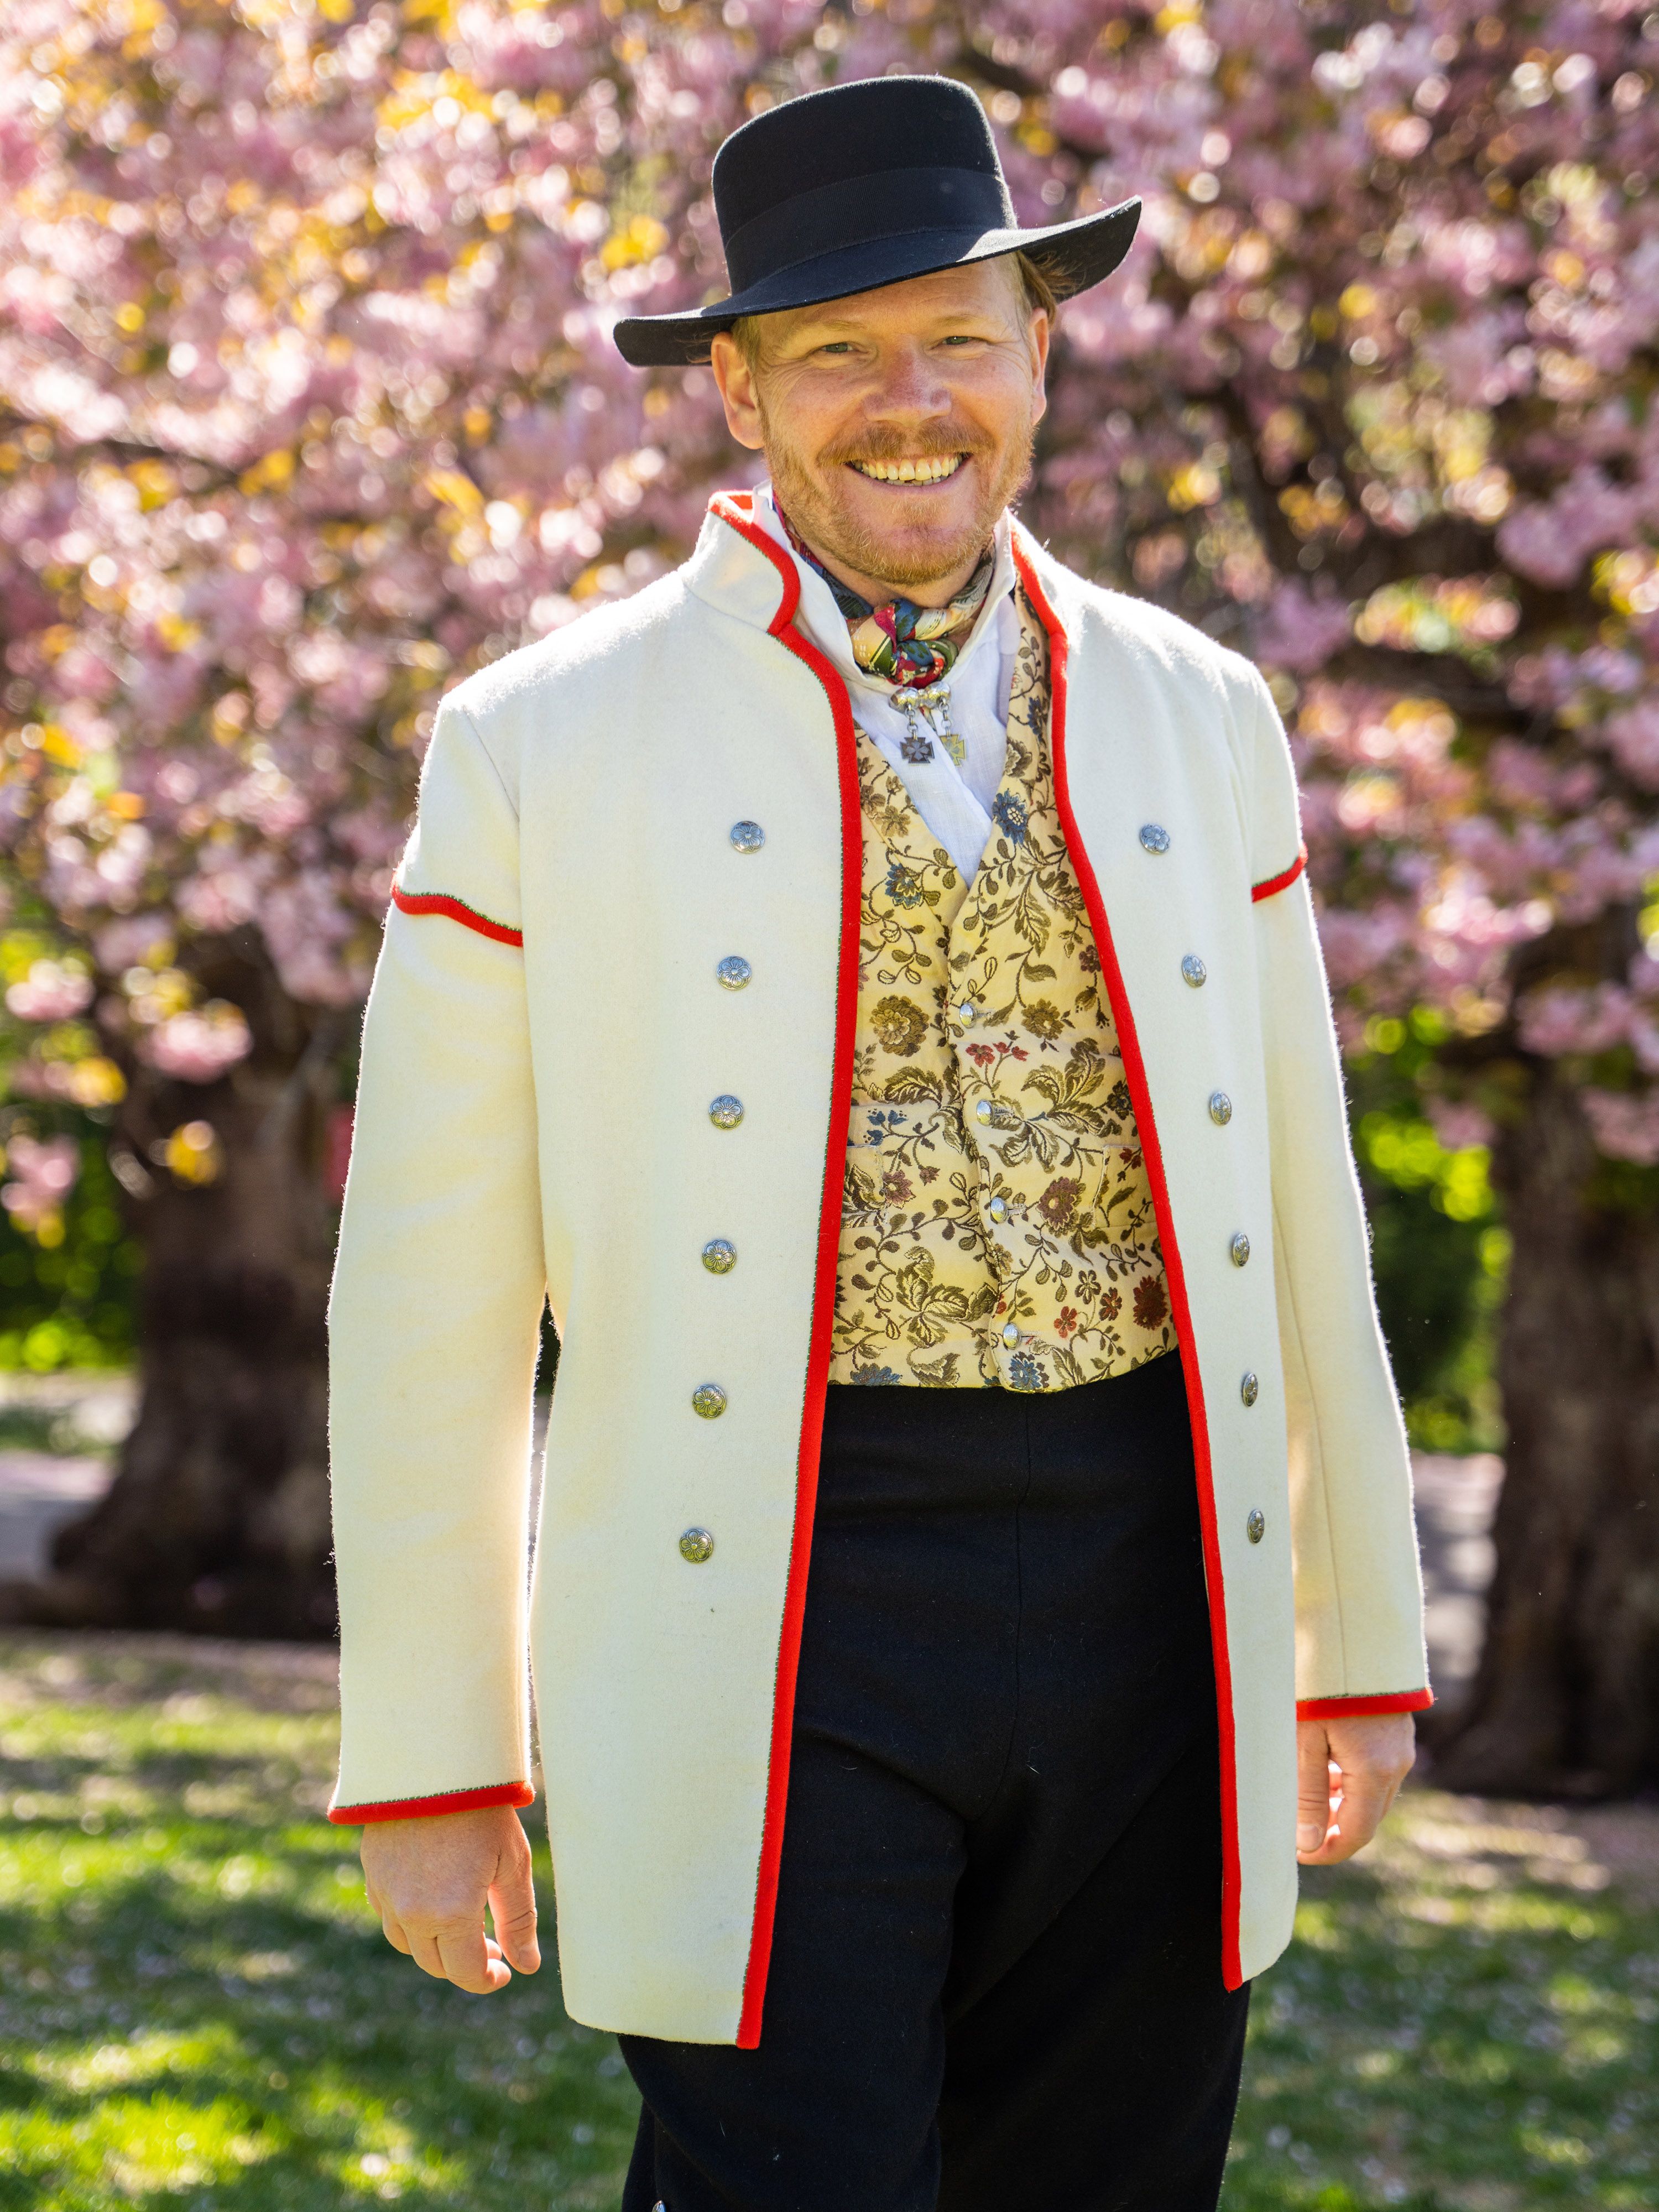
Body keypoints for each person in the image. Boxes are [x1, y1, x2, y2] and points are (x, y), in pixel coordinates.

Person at [326, 74, 1430, 2212]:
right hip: (767, 1586)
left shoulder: (1207, 711)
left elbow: (1305, 1209)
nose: (906, 400)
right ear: (737, 393)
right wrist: (434, 1757)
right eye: (837, 349)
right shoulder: (535, 743)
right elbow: (431, 1298)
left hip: (1155, 1576)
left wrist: (1353, 1644)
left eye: (957, 335)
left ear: (1041, 353)